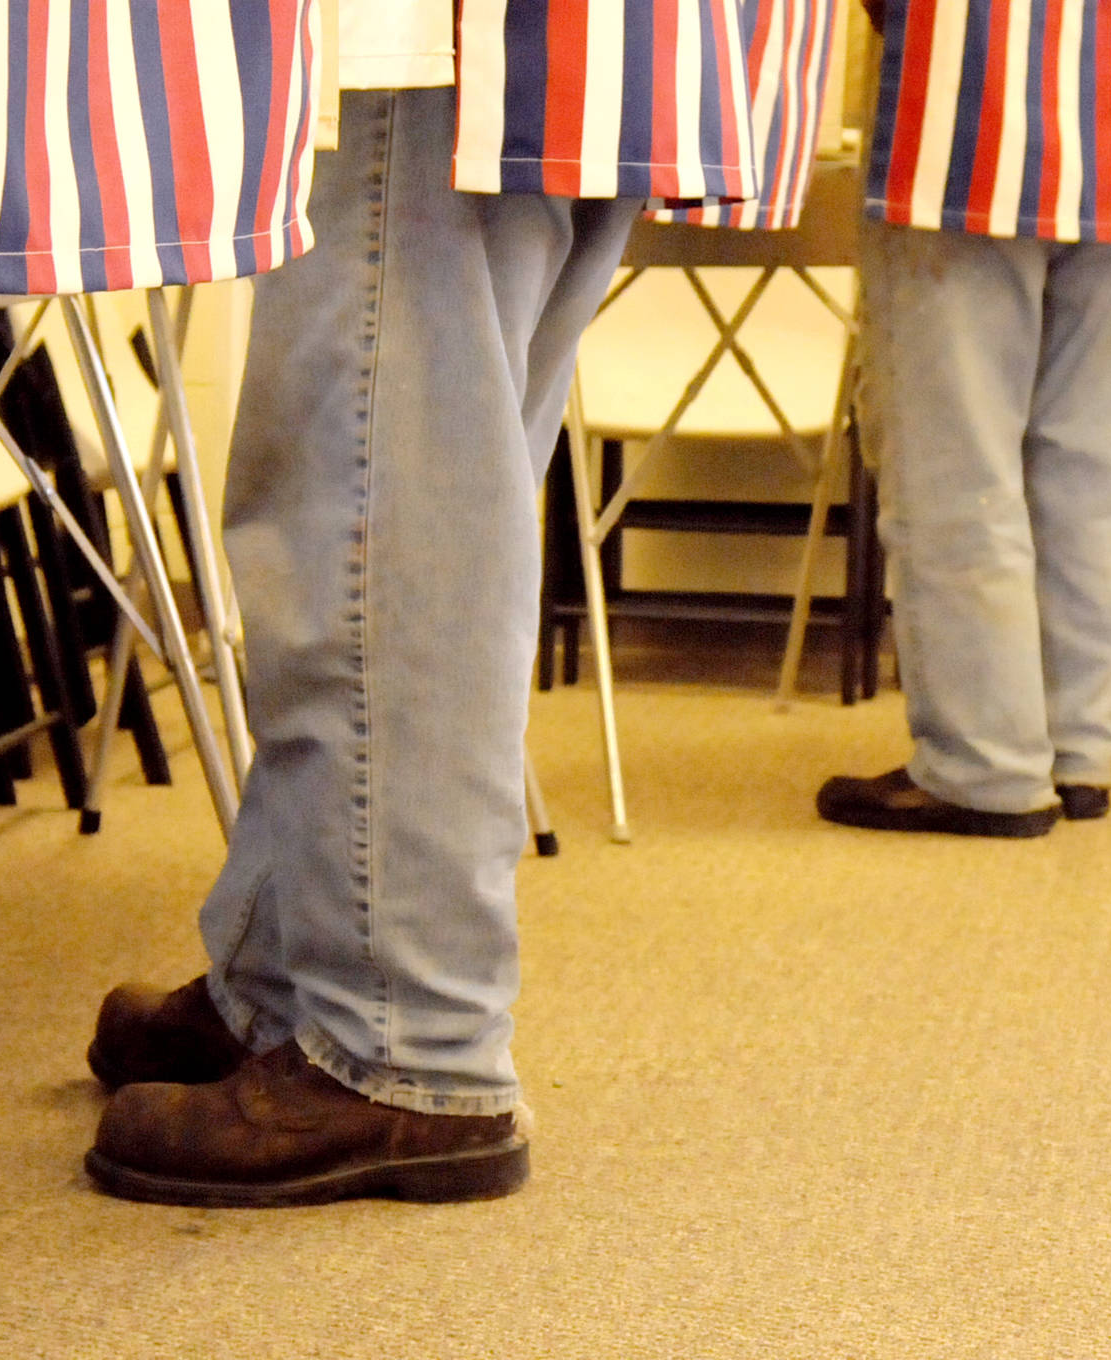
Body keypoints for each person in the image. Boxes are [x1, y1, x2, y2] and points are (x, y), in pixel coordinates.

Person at [79, 3, 771, 1207]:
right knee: (443, 515)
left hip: (428, 40)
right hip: (553, 46)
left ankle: (401, 1045)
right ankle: (285, 981)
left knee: (369, 529)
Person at [817, 0, 1111, 836]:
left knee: (953, 460)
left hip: (975, 96)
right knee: (1092, 463)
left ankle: (986, 766)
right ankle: (1074, 750)